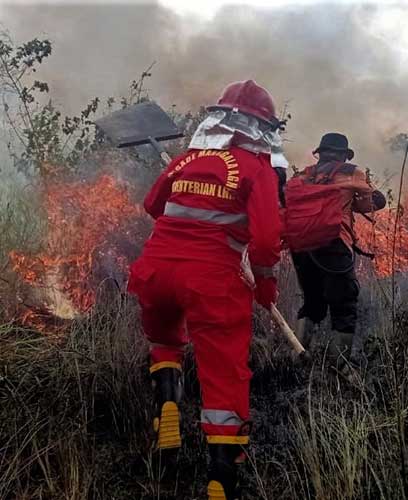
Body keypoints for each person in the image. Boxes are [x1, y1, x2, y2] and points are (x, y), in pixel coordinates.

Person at [127, 80, 283, 500]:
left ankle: (168, 406)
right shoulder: (257, 169)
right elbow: (267, 242)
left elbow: (152, 207)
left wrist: (192, 191)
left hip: (156, 271)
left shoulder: (183, 161)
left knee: (164, 340)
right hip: (212, 281)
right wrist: (266, 283)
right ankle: (219, 479)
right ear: (261, 129)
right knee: (224, 372)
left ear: (217, 119)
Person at [285, 132, 386, 368]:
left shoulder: (303, 175)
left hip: (300, 246)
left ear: (320, 153)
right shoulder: (350, 172)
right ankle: (338, 368)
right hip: (333, 242)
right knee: (344, 303)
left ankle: (296, 359)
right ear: (343, 155)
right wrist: (355, 202)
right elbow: (376, 200)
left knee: (313, 302)